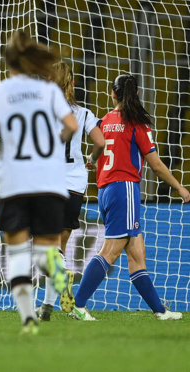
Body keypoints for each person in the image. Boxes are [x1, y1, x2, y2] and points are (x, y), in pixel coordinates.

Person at [0, 31, 78, 334]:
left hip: (14, 180)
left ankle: (28, 319)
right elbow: (71, 125)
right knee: (46, 250)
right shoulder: (49, 92)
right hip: (50, 180)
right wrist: (54, 144)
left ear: (6, 63)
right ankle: (57, 274)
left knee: (17, 253)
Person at [69, 74, 190, 321]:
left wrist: (93, 162)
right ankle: (77, 304)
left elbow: (98, 150)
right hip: (124, 189)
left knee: (137, 255)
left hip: (105, 191)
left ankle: (160, 310)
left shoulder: (102, 122)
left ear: (112, 94)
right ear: (135, 94)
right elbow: (155, 165)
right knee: (110, 252)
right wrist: (179, 187)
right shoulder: (137, 124)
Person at [36, 61, 105, 321]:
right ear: (73, 83)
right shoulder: (83, 113)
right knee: (59, 247)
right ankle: (48, 307)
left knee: (49, 248)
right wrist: (93, 157)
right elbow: (100, 141)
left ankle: (65, 297)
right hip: (74, 185)